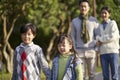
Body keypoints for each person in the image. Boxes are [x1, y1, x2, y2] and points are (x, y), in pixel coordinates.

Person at [71, 0, 99, 80]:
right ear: (79, 7)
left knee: (92, 75)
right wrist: (75, 50)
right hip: (79, 51)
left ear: (89, 8)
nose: (83, 8)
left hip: (91, 51)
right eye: (81, 6)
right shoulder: (74, 21)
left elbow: (98, 35)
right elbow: (72, 36)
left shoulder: (93, 20)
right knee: (80, 75)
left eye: (85, 6)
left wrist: (96, 49)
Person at [96, 6, 119, 80]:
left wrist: (101, 39)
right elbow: (97, 38)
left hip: (113, 52)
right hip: (103, 53)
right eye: (102, 13)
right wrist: (100, 39)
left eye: (105, 13)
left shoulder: (113, 23)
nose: (103, 15)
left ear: (109, 14)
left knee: (115, 75)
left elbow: (113, 36)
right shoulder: (99, 26)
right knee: (105, 76)